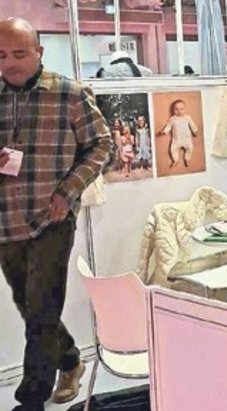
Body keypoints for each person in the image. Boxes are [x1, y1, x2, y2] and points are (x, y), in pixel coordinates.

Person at [0, 18, 112, 411]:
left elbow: (102, 146)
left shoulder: (70, 94)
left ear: (39, 52)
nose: (10, 63)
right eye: (1, 55)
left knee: (42, 308)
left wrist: (68, 191)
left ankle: (31, 398)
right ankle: (69, 360)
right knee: (27, 303)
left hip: (52, 216)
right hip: (5, 218)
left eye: (19, 53)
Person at [158, 99, 199, 168]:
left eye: (181, 109)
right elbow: (168, 126)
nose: (179, 111)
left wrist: (195, 131)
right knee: (172, 149)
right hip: (176, 140)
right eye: (176, 109)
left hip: (187, 139)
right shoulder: (172, 119)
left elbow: (192, 125)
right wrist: (164, 131)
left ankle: (187, 158)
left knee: (190, 148)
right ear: (173, 110)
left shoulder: (187, 118)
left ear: (185, 109)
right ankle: (175, 160)